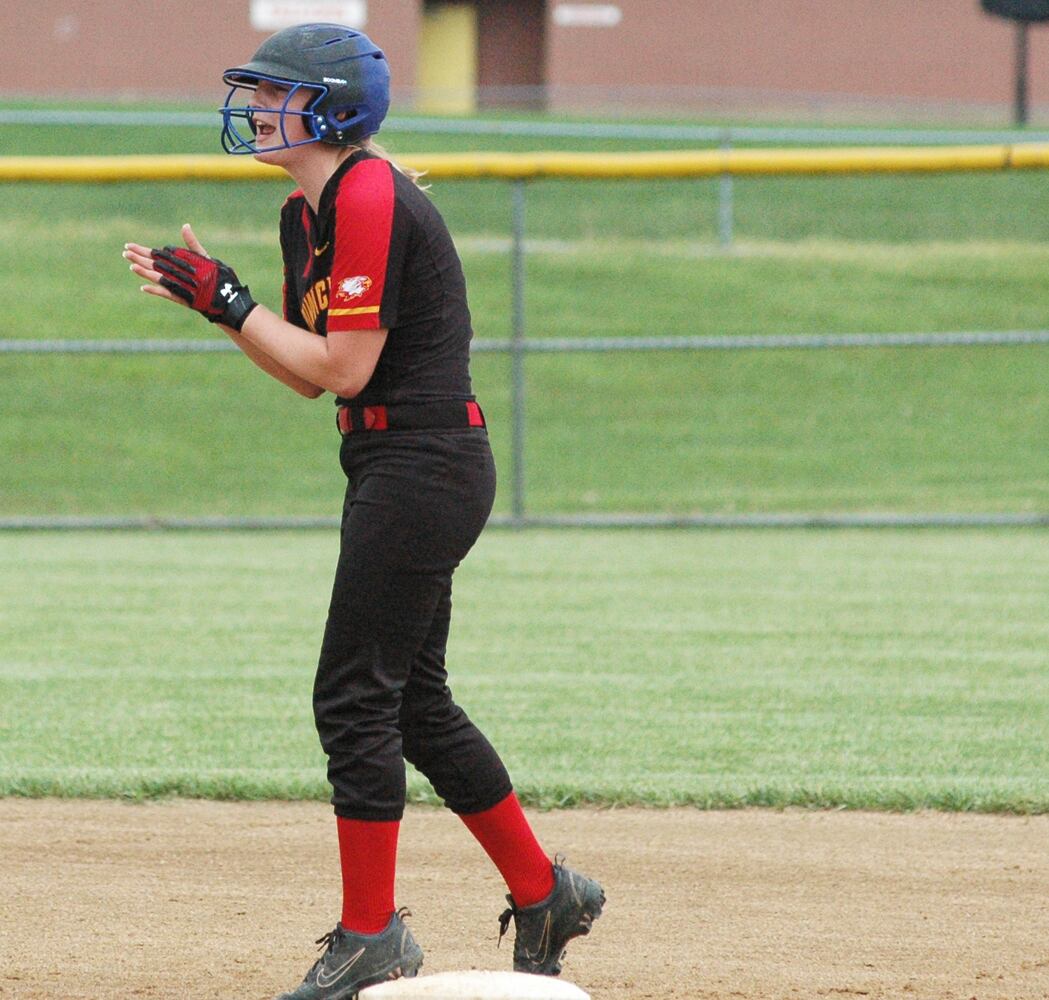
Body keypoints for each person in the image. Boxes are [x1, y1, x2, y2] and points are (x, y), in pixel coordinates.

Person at [123, 23, 604, 1000]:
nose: (256, 107)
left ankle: (372, 935)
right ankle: (542, 890)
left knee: (351, 694)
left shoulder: (371, 189)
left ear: (332, 106)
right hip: (388, 458)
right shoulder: (305, 215)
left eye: (275, 91)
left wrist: (231, 301)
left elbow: (345, 366)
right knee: (411, 702)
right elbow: (311, 377)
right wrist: (225, 308)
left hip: (426, 460)